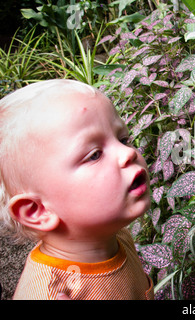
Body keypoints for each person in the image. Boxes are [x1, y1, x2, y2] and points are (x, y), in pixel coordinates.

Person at [0, 79, 154, 300]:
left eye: (123, 139)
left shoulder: (116, 236)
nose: (127, 153)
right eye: (94, 154)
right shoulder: (49, 293)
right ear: (38, 211)